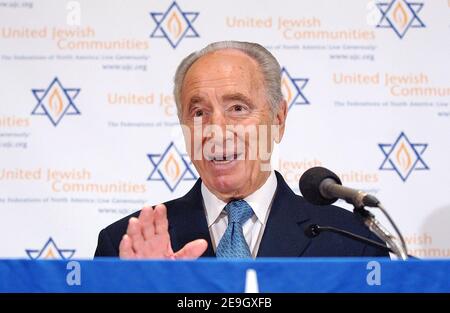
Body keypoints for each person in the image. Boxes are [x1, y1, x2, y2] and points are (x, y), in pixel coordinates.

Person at [94, 41, 388, 259]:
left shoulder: (353, 241)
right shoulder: (123, 247)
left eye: (237, 108)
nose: (216, 130)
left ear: (278, 119)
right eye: (198, 113)